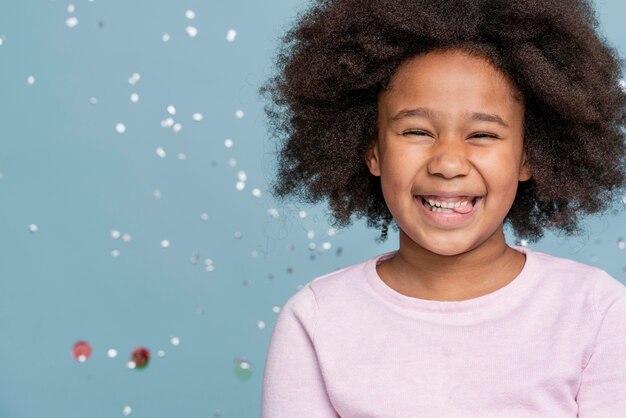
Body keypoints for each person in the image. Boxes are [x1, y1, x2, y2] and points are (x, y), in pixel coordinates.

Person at [260, 0, 626, 416]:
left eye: (483, 134)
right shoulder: (317, 320)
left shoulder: (597, 313)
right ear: (371, 150)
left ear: (530, 155)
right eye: (417, 131)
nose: (448, 164)